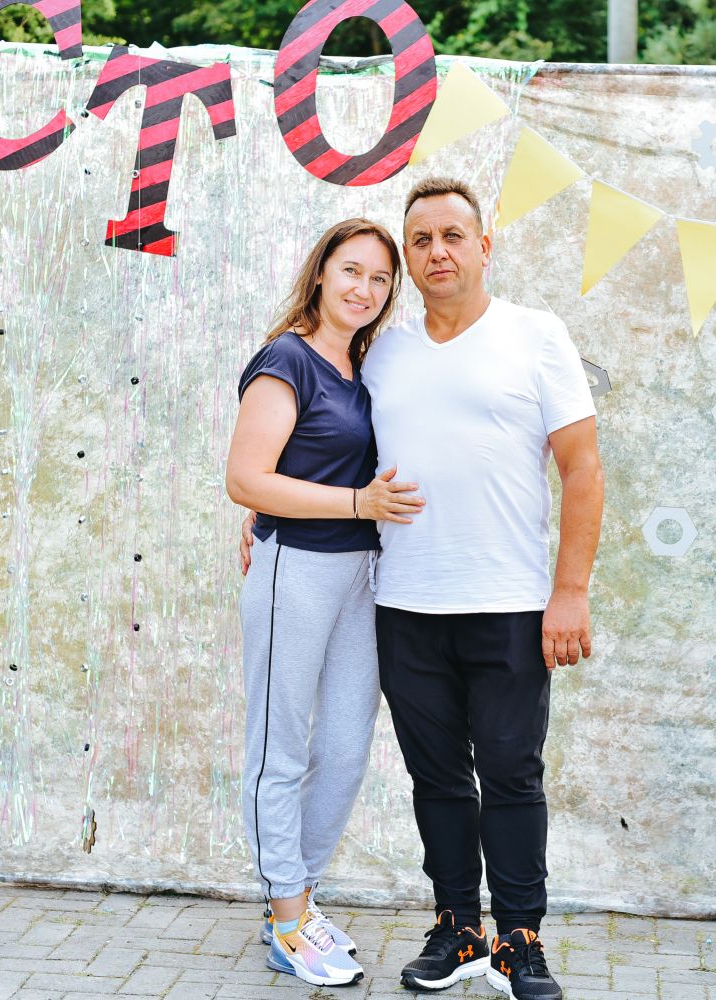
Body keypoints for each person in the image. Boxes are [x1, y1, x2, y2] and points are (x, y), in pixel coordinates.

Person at [245, 179, 604, 1000]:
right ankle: (457, 927)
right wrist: (259, 512)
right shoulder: (384, 353)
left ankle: (519, 939)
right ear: (410, 258)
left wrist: (571, 591)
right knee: (437, 780)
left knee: (512, 775)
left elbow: (582, 469)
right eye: (420, 240)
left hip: (510, 603)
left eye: (452, 235)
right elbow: (324, 443)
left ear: (484, 247)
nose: (437, 251)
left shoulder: (536, 335)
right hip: (403, 603)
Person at [225, 217, 425, 989]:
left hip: (360, 577)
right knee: (278, 748)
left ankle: (297, 900)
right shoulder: (288, 359)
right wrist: (355, 503)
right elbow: (246, 479)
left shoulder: (363, 365)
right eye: (351, 271)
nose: (364, 289)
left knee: (343, 749)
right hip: (296, 572)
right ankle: (286, 917)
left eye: (379, 279)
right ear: (320, 274)